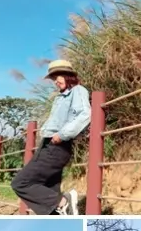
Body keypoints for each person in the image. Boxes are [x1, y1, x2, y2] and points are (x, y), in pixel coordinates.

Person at [11, 60, 91, 215]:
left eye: (57, 76)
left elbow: (85, 114)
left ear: (68, 75)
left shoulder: (78, 91)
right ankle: (60, 213)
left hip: (57, 146)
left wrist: (62, 135)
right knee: (47, 193)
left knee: (20, 183)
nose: (55, 81)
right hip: (48, 145)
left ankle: (64, 201)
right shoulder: (59, 98)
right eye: (53, 78)